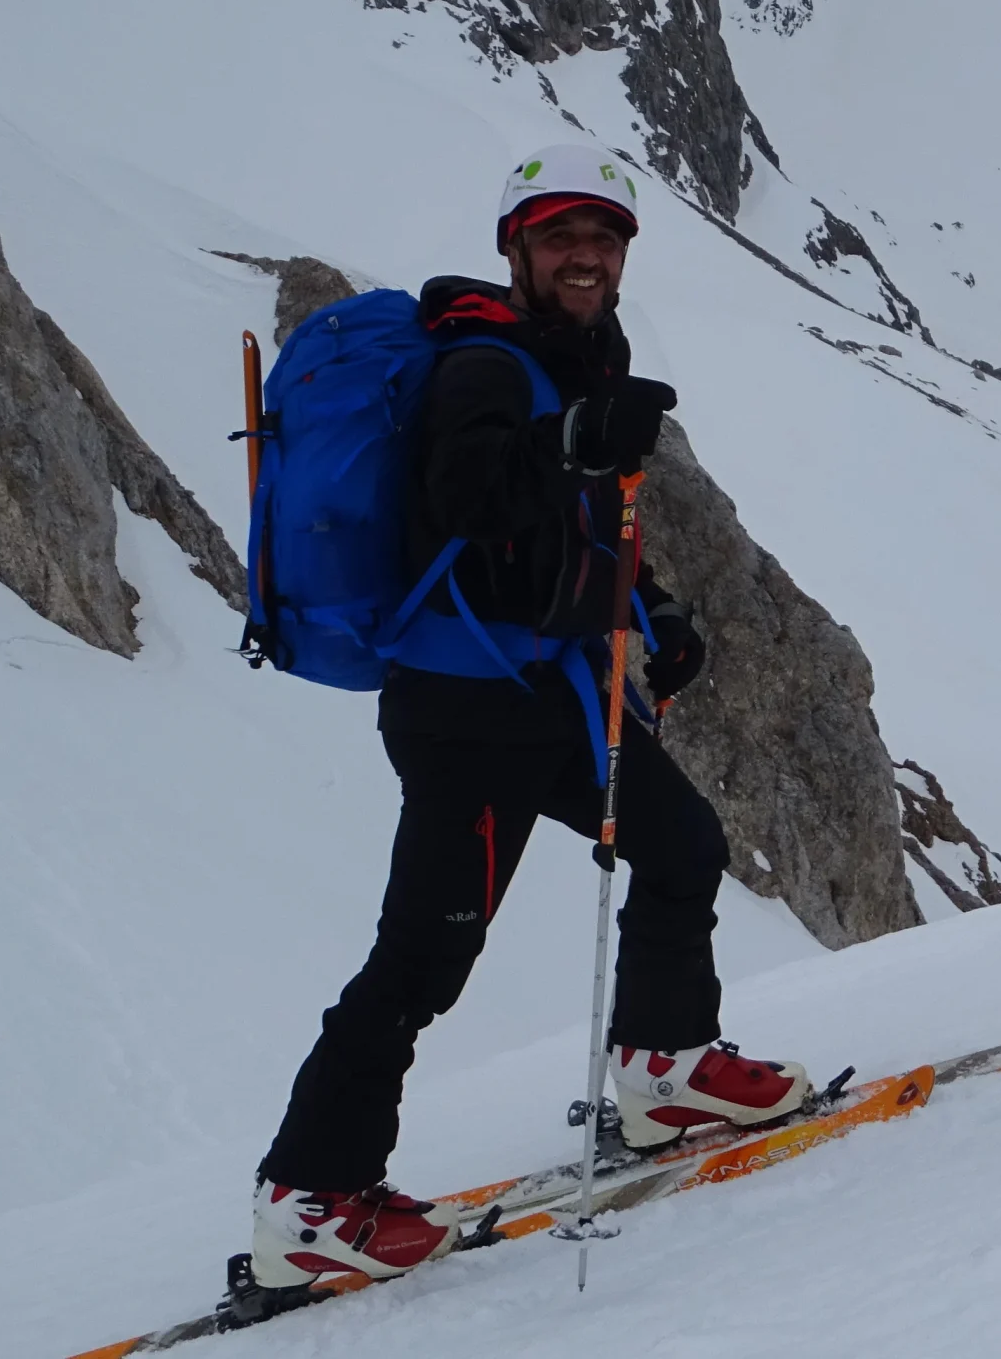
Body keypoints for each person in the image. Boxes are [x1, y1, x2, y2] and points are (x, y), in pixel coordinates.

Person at [249, 145, 808, 1288]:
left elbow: (578, 522)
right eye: (561, 237)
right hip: (465, 711)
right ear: (518, 248)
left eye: (603, 237)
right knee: (422, 960)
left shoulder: (580, 353)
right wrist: (571, 443)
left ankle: (665, 1071)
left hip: (546, 686)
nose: (585, 255)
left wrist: (654, 614)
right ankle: (310, 1202)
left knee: (683, 844)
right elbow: (468, 494)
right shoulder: (485, 365)